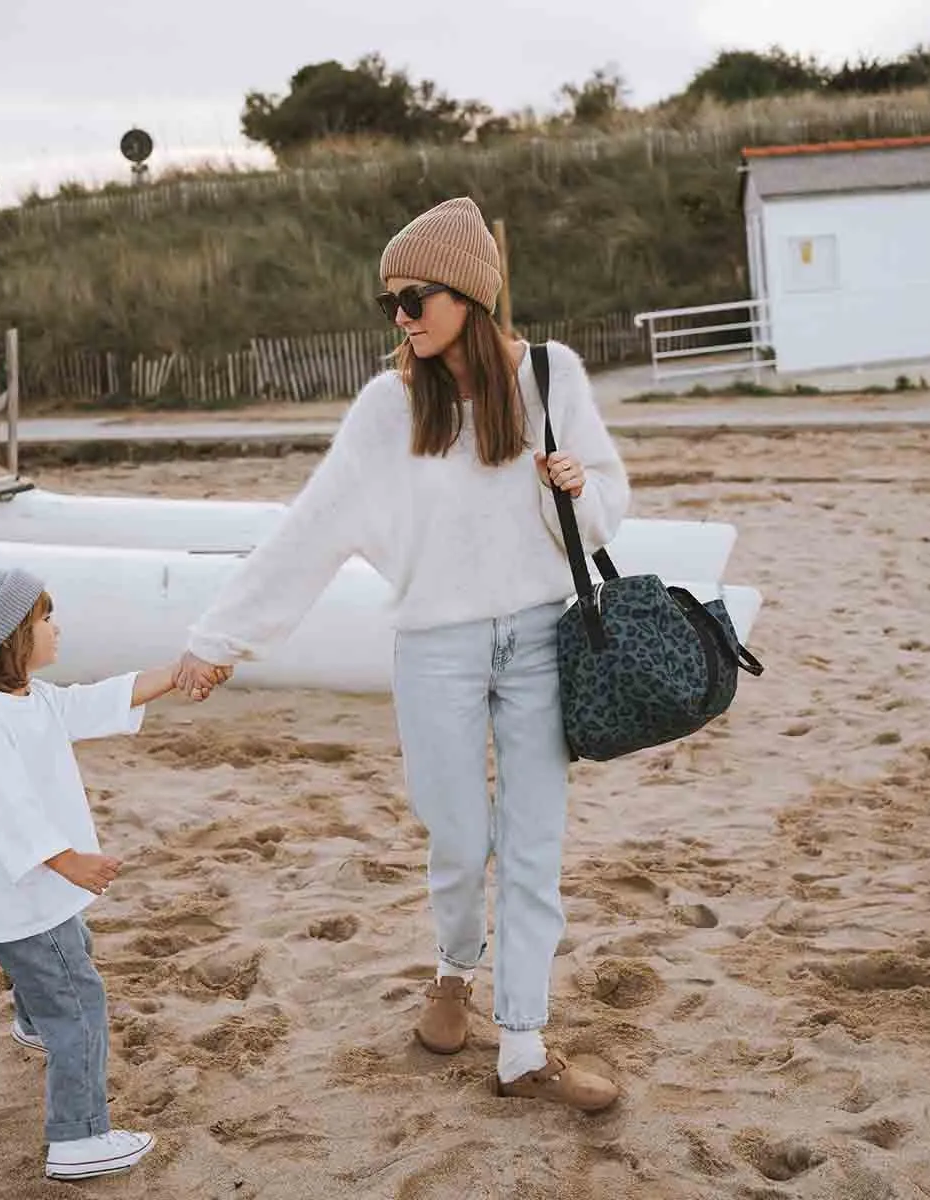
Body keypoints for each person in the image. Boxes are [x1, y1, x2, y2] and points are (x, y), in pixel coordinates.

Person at [176, 197, 630, 1111]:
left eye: (415, 296)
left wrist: (575, 487)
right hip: (437, 648)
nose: (401, 316)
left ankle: (525, 1045)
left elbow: (603, 513)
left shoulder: (552, 377)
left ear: (469, 292)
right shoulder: (389, 407)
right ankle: (453, 975)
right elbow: (311, 530)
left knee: (534, 845)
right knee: (460, 839)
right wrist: (222, 639)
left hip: (543, 638)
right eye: (391, 300)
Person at [0, 567, 228, 1180]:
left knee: (65, 959)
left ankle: (31, 1020)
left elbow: (97, 700)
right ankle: (78, 1137)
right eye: (43, 618)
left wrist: (177, 674)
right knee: (81, 1003)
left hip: (22, 895)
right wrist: (70, 862)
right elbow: (9, 809)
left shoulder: (29, 700)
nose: (55, 626)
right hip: (22, 893)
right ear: (12, 635)